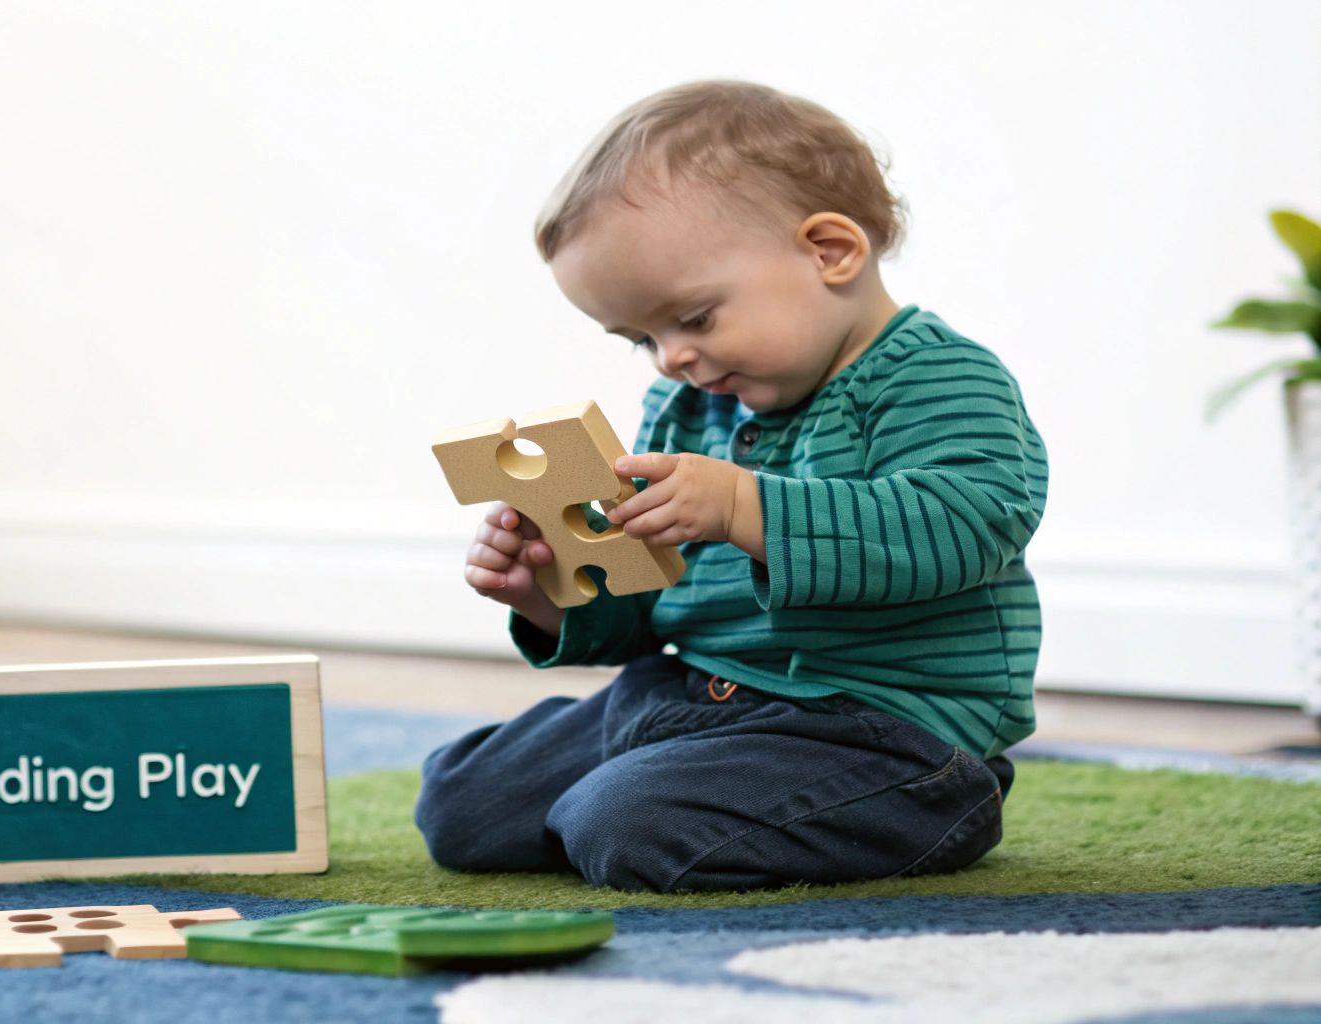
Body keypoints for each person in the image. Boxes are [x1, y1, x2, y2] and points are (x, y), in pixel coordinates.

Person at [415, 80, 1048, 892]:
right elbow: (654, 602)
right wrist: (551, 594)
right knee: (463, 801)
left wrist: (745, 507)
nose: (671, 356)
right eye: (641, 336)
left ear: (829, 252)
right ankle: (655, 792)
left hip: (881, 735)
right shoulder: (686, 405)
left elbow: (968, 523)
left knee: (622, 822)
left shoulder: (938, 375)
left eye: (695, 318)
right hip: (689, 699)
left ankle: (890, 815)